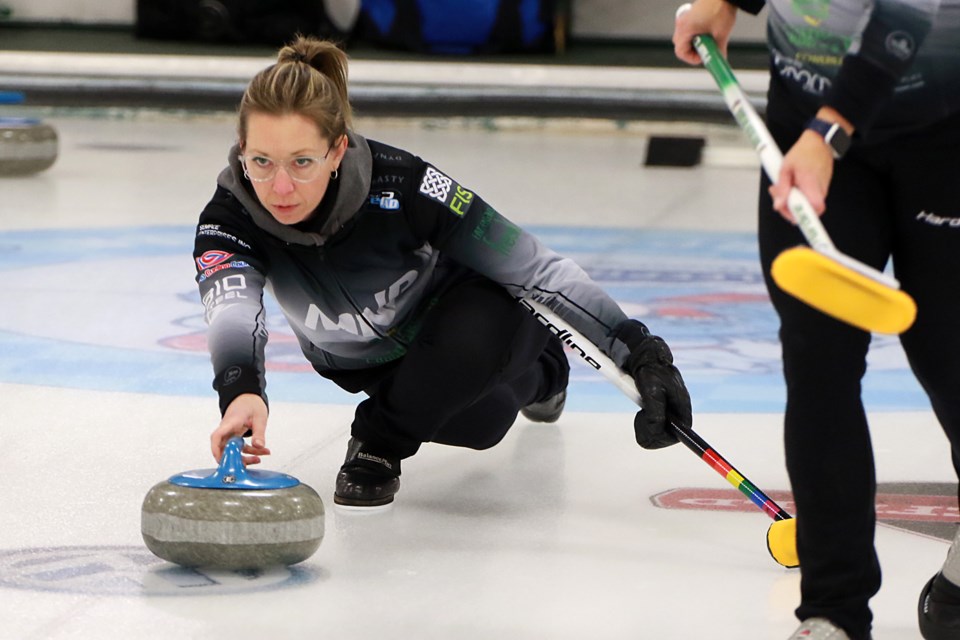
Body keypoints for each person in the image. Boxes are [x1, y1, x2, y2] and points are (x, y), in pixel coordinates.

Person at [193, 35, 693, 511]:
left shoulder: (405, 185)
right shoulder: (230, 216)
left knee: (476, 337)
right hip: (367, 360)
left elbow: (532, 267)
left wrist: (641, 354)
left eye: (302, 161)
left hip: (468, 315)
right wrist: (240, 392)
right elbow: (233, 313)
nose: (280, 187)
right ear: (241, 148)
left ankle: (378, 443)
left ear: (337, 150)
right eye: (261, 161)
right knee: (483, 425)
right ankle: (547, 373)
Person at [673, 1, 960, 639]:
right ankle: (833, 612)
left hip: (940, 127)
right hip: (808, 124)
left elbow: (903, 19)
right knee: (818, 364)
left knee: (950, 355)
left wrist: (829, 132)